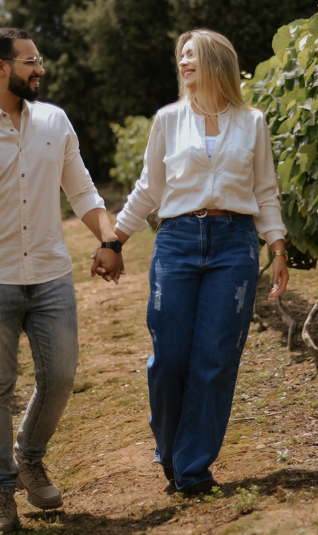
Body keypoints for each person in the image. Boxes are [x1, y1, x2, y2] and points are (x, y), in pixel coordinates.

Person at [0, 27, 124, 535]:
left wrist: (110, 240)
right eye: (31, 62)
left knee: (59, 377)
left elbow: (81, 189)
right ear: (0, 68)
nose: (40, 69)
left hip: (51, 273)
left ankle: (29, 456)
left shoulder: (55, 122)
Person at [101, 29, 288, 497]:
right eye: (181, 57)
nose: (184, 64)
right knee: (170, 357)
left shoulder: (252, 121)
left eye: (192, 56)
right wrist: (115, 239)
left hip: (235, 243)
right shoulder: (168, 119)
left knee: (215, 357)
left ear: (216, 63)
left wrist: (278, 245)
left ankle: (192, 466)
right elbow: (149, 187)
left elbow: (265, 190)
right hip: (178, 241)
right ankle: (171, 447)